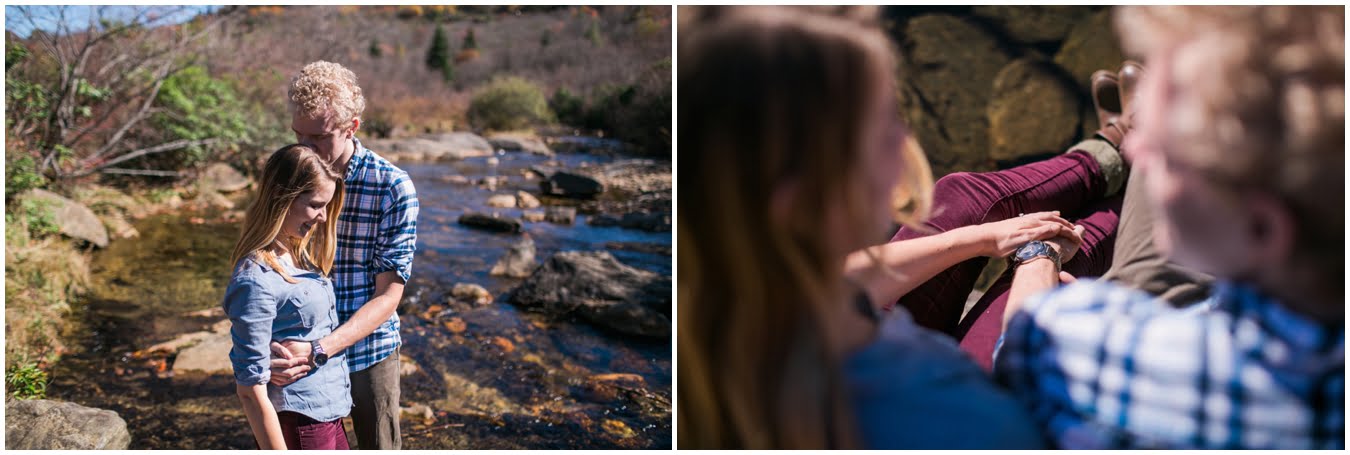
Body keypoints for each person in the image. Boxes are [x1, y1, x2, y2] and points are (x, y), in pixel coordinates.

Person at [679, 6, 1127, 448]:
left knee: (963, 199)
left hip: (895, 340)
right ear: (802, 202)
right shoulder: (961, 423)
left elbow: (846, 279)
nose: (906, 141)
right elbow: (1023, 385)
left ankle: (1118, 144)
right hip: (1001, 386)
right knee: (1053, 244)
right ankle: (1150, 167)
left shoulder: (743, 295)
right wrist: (1038, 260)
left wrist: (982, 238)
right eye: (886, 124)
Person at [995, 5, 1343, 449]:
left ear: (1261, 228)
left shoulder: (1075, 336)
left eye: (1165, 153)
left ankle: (1110, 161)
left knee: (1144, 274)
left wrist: (1036, 255)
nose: (1139, 150)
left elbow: (1011, 355)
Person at [265, 61, 419, 450]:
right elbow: (268, 257)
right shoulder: (291, 173)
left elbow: (389, 296)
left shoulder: (392, 187)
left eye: (318, 137)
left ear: (352, 127)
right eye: (298, 135)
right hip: (298, 350)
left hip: (369, 351)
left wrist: (322, 349)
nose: (304, 148)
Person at [225, 144, 350, 450]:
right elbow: (250, 391)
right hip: (299, 420)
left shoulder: (296, 253)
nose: (322, 217)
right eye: (315, 205)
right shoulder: (256, 277)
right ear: (283, 198)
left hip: (327, 411)